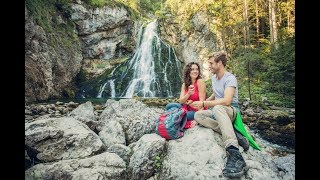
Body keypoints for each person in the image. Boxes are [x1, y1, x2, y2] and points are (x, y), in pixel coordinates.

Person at [191, 51, 249, 178]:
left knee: (218, 108)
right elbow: (215, 94)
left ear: (220, 63)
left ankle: (234, 153)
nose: (209, 66)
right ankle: (234, 134)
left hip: (231, 111)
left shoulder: (230, 78)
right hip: (217, 111)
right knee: (198, 116)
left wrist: (205, 102)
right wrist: (203, 104)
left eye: (211, 63)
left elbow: (227, 101)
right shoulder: (213, 78)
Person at [165, 62, 207, 129]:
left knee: (183, 116)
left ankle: (174, 119)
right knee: (169, 106)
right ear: (188, 71)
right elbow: (181, 101)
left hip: (196, 110)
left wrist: (197, 119)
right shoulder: (184, 84)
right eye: (192, 69)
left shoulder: (200, 81)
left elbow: (202, 103)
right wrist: (189, 94)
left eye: (197, 69)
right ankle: (174, 118)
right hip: (185, 107)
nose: (195, 71)